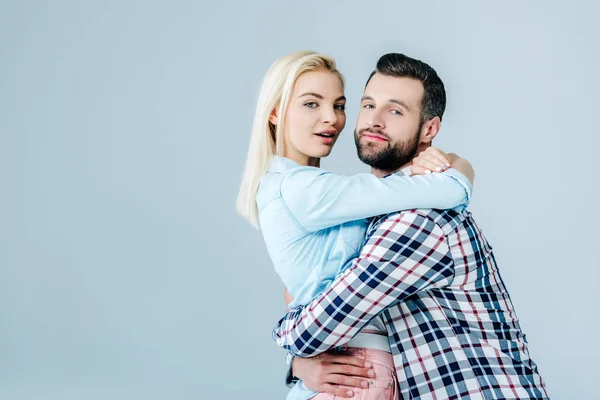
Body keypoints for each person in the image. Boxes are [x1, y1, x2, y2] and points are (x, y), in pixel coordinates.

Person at [273, 53, 549, 399]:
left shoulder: (418, 220)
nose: (374, 121)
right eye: (368, 105)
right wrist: (300, 363)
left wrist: (295, 344)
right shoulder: (372, 212)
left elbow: (316, 326)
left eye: (395, 111)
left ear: (429, 129)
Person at [236, 50, 474, 400]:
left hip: (347, 373)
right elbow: (451, 188)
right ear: (275, 111)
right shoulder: (302, 189)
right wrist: (459, 163)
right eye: (311, 104)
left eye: (339, 105)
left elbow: (300, 295)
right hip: (358, 373)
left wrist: (298, 361)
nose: (330, 118)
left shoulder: (300, 187)